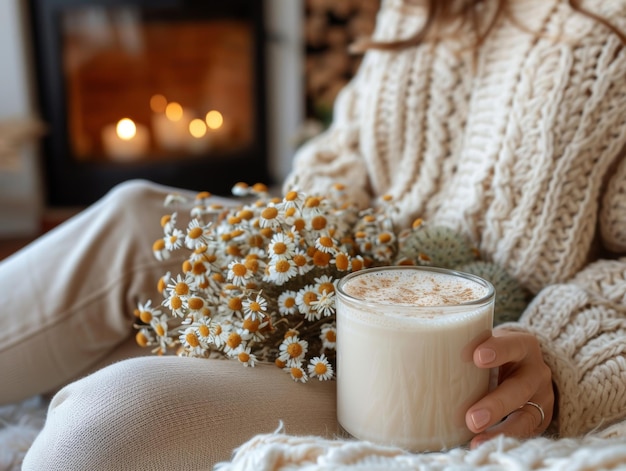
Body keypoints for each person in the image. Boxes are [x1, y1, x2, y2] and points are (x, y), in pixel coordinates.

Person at [1, 0, 624, 468]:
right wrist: (290, 259)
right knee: (136, 215)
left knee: (113, 414)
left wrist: (562, 361)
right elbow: (344, 149)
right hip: (346, 274)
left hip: (458, 347)